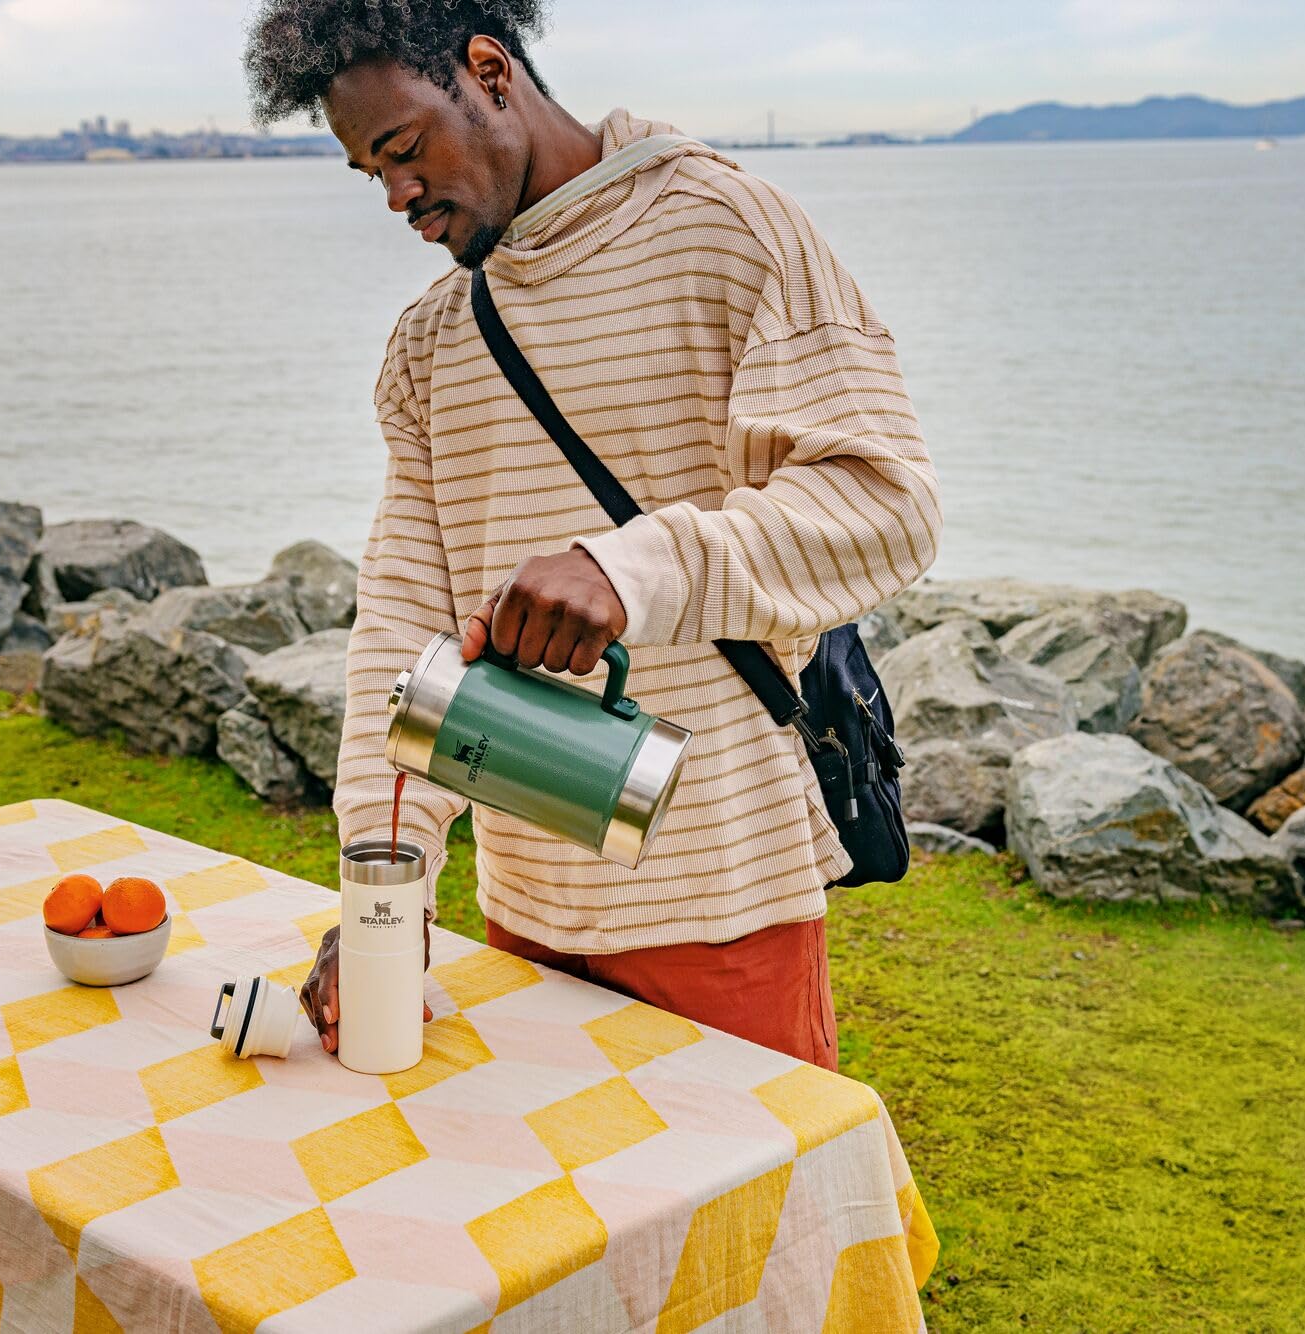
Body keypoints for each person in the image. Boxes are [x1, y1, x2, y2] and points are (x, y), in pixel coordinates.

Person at [246, 0, 940, 1072]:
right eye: (368, 174)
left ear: (485, 70)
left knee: (744, 1233)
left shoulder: (728, 230)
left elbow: (882, 506)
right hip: (525, 911)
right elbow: (400, 628)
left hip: (725, 901)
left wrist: (629, 571)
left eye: (402, 150)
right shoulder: (432, 342)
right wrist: (384, 890)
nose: (396, 196)